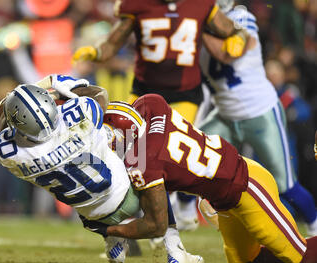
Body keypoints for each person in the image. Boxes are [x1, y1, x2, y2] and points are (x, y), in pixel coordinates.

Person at [0, 74, 204, 263]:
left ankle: (113, 240)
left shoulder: (9, 154)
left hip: (92, 220)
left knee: (92, 162)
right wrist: (54, 85)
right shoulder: (78, 117)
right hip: (129, 198)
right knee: (140, 152)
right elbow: (100, 95)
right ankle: (175, 250)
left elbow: (3, 128)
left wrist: (3, 108)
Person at [82, 93, 317, 263]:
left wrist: (108, 229)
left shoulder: (145, 163)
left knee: (300, 256)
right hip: (226, 191)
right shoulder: (151, 104)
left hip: (247, 186)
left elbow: (156, 226)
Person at [72, 0, 251, 231]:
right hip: (143, 94)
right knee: (122, 156)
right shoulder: (136, 5)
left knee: (166, 158)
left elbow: (231, 29)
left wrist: (238, 38)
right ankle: (124, 221)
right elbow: (113, 42)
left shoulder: (201, 4)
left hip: (184, 94)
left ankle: (175, 217)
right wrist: (96, 52)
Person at [198, 0, 317, 236]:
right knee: (190, 157)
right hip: (224, 115)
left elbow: (230, 53)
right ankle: (181, 220)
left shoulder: (241, 17)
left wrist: (199, 31)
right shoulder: (194, 26)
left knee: (285, 185)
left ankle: (315, 227)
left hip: (259, 113)